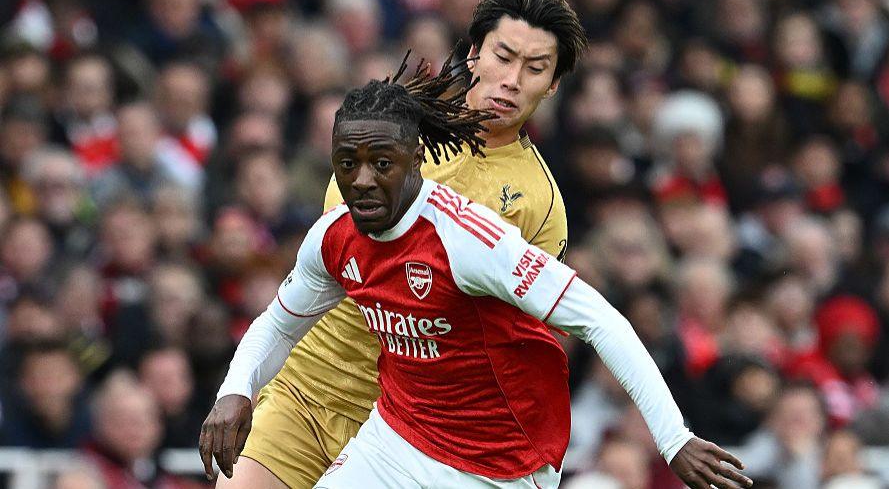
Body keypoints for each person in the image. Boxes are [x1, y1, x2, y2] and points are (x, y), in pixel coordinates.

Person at [200, 56, 752, 489]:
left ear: (416, 158)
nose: (363, 181)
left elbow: (603, 322)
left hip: (501, 456)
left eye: (382, 164)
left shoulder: (470, 241)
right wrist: (235, 391)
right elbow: (277, 324)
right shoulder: (334, 235)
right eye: (348, 164)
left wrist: (674, 440)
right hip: (400, 434)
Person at [218, 0, 586, 487]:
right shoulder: (390, 131)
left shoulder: (540, 204)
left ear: (554, 84)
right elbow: (334, 260)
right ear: (473, 53)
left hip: (408, 433)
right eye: (503, 57)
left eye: (535, 67)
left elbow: (519, 340)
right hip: (306, 389)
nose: (512, 81)